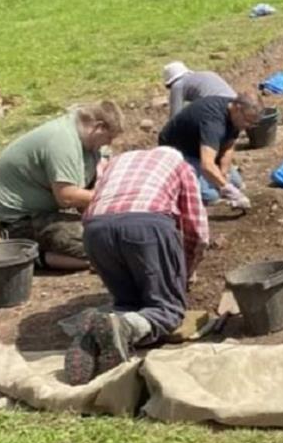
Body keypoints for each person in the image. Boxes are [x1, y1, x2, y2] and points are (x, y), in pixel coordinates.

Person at [64, 146, 210, 385]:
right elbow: (196, 230)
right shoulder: (180, 166)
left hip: (95, 230)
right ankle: (125, 327)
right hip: (146, 224)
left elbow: (95, 200)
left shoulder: (117, 162)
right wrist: (184, 271)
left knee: (128, 303)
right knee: (168, 311)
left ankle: (93, 333)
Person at [0, 101, 124, 271]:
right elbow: (67, 196)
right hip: (16, 220)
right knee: (99, 243)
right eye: (109, 138)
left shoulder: (86, 144)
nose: (107, 144)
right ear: (98, 127)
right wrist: (115, 199)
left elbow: (84, 198)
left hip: (41, 213)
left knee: (111, 238)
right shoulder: (63, 141)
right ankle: (29, 257)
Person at [157, 92, 263, 207]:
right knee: (211, 196)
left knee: (236, 183)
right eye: (247, 121)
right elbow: (207, 165)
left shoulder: (234, 115)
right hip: (179, 150)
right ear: (238, 108)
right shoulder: (213, 123)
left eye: (252, 123)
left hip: (202, 148)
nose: (248, 126)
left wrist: (224, 174)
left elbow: (228, 146)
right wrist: (227, 188)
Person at [162, 61, 237, 117]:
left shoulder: (177, 85)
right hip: (236, 102)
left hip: (216, 107)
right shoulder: (207, 73)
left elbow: (175, 117)